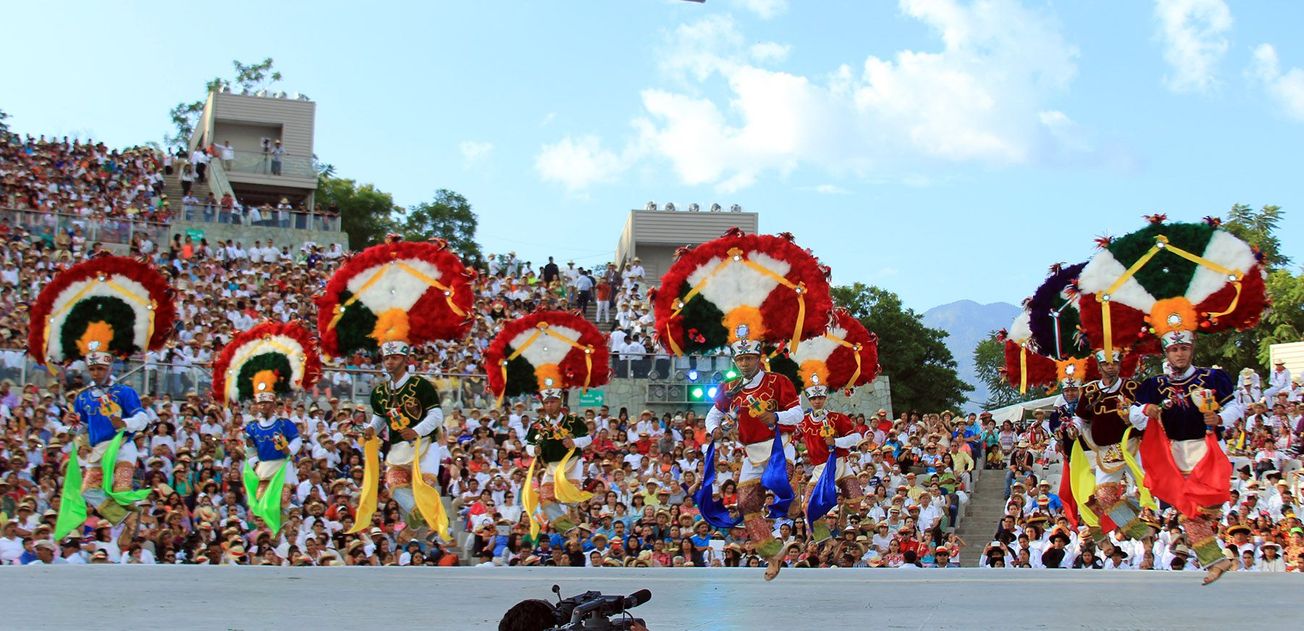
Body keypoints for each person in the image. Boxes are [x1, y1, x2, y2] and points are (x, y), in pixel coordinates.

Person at [705, 325, 803, 581]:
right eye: (740, 359)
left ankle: (794, 494)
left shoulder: (778, 381)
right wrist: (713, 428)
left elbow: (799, 414)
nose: (744, 362)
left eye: (748, 358)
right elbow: (714, 413)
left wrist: (776, 415)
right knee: (747, 505)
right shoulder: (730, 387)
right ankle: (773, 554)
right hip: (750, 452)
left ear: (758, 359)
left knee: (779, 481)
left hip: (779, 445)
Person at [212, 322, 320, 535]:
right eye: (261, 403)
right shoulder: (252, 427)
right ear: (257, 405)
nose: (264, 406)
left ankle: (285, 531)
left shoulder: (283, 423)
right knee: (261, 502)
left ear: (273, 404)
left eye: (267, 403)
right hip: (264, 467)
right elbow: (250, 449)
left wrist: (290, 449)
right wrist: (253, 461)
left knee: (282, 500)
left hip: (282, 465)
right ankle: (271, 532)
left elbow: (297, 439)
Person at [1067, 349, 1152, 545]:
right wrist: (1073, 427)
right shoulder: (1089, 391)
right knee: (1104, 496)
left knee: (1151, 486)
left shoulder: (1132, 387)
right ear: (1099, 367)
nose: (1110, 367)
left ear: (1120, 364)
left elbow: (1144, 415)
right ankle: (1138, 530)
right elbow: (1081, 418)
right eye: (1106, 364)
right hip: (1106, 450)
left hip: (1132, 445)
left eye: (1114, 363)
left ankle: (1137, 504)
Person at [798, 377, 863, 542]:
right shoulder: (804, 422)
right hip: (820, 469)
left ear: (825, 398)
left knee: (856, 500)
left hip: (839, 462)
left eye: (820, 398)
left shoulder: (837, 418)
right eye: (813, 398)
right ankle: (824, 539)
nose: (817, 401)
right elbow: (790, 434)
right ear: (809, 399)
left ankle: (842, 515)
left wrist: (836, 442)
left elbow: (856, 437)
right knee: (807, 506)